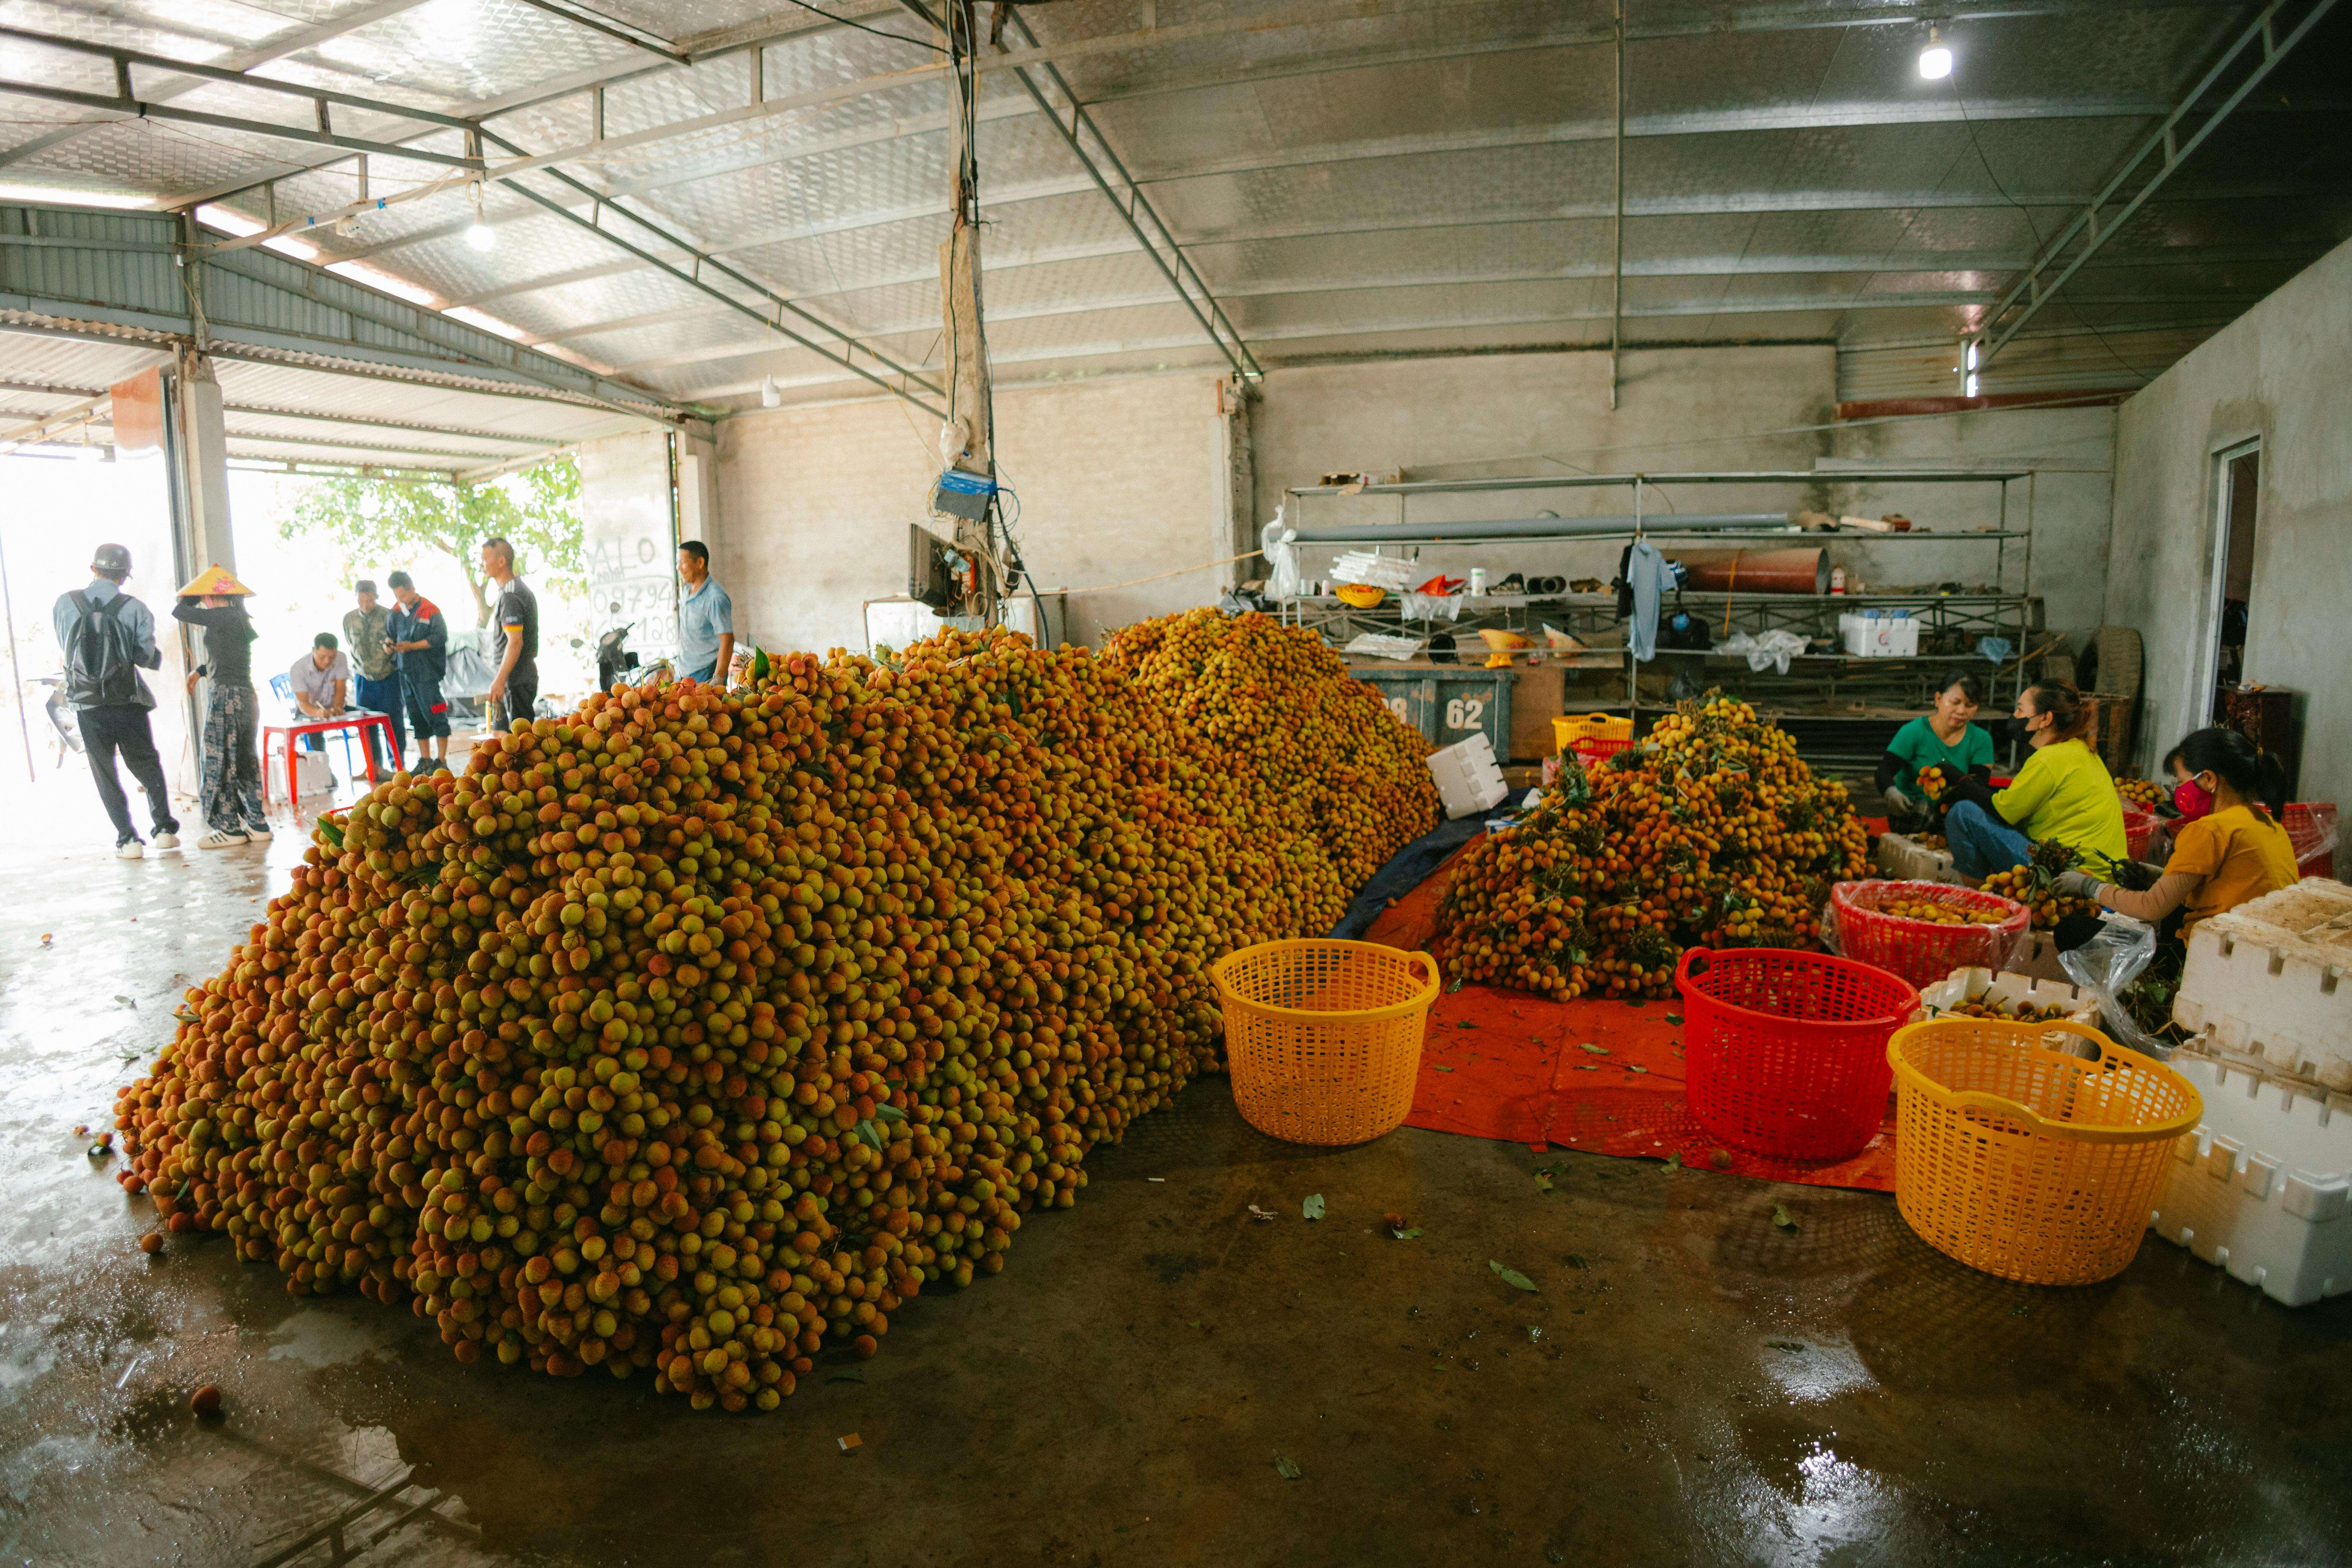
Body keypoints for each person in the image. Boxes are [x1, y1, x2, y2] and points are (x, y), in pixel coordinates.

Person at [2059, 727, 2297, 937]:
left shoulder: (2209, 829)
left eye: (2181, 782)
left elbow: (2151, 907)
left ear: (2209, 779)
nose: (2178, 791)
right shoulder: (2268, 823)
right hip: (2254, 945)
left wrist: (2088, 886)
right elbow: (2221, 884)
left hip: (2214, 953)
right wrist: (2154, 875)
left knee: (2071, 929)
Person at [51, 543, 180, 859]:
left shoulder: (65, 604)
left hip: (87, 704)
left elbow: (66, 650)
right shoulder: (134, 609)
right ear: (124, 576)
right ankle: (164, 830)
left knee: (105, 771)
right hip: (128, 701)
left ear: (93, 569)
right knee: (146, 763)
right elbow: (146, 656)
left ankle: (128, 840)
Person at [1941, 681, 2128, 881]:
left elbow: (2005, 811)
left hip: (2067, 873)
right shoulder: (2080, 750)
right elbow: (2017, 802)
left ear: (2046, 719)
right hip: (2106, 874)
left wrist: (1961, 780)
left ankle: (1979, 898)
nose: (2015, 717)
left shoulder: (2049, 758)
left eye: (2021, 710)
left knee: (1963, 814)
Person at [171, 566, 271, 850]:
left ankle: (229, 828)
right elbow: (228, 658)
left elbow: (179, 611)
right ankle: (257, 823)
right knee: (244, 760)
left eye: (206, 597)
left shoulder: (220, 615)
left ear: (213, 596)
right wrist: (200, 671)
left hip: (226, 697)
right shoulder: (239, 618)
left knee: (219, 760)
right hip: (245, 697)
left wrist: (193, 594)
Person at [1876, 669, 1995, 828]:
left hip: (1953, 807)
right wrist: (1891, 792)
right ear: (1938, 699)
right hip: (1912, 810)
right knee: (1925, 814)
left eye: (1970, 705)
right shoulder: (1914, 731)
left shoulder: (1981, 739)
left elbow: (1979, 786)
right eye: (1955, 702)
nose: (1961, 711)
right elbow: (1884, 771)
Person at [386, 571, 451, 773]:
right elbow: (389, 635)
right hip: (406, 674)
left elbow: (440, 638)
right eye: (397, 596)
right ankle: (425, 760)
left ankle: (441, 760)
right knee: (415, 717)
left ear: (412, 589)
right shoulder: (396, 611)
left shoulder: (430, 610)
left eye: (403, 595)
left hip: (428, 674)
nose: (401, 600)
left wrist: (412, 646)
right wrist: (388, 645)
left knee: (437, 713)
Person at [343, 579, 404, 776]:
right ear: (357, 597)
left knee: (393, 723)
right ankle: (374, 767)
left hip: (388, 676)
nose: (369, 604)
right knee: (366, 724)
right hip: (363, 679)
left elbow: (398, 645)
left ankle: (397, 766)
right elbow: (350, 645)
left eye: (372, 599)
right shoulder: (349, 619)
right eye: (364, 600)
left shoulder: (389, 616)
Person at [480, 536, 538, 732]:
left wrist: (500, 680)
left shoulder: (511, 595)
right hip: (514, 679)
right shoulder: (511, 590)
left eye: (485, 559)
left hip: (517, 680)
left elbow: (515, 643)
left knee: (520, 744)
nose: (482, 565)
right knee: (502, 740)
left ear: (502, 562)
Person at [290, 633, 352, 782]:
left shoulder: (341, 658)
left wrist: (337, 708)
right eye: (323, 657)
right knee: (314, 728)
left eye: (331, 657)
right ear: (314, 650)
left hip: (332, 707)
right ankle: (324, 774)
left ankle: (375, 767)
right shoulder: (298, 668)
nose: (327, 661)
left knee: (369, 717)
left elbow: (340, 689)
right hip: (308, 711)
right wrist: (318, 713)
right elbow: (303, 704)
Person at [675, 540, 735, 686]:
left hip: (705, 673)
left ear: (700, 562)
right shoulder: (687, 590)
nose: (679, 568)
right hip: (683, 671)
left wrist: (718, 679)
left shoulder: (715, 597)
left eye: (683, 563)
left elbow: (727, 640)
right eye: (677, 563)